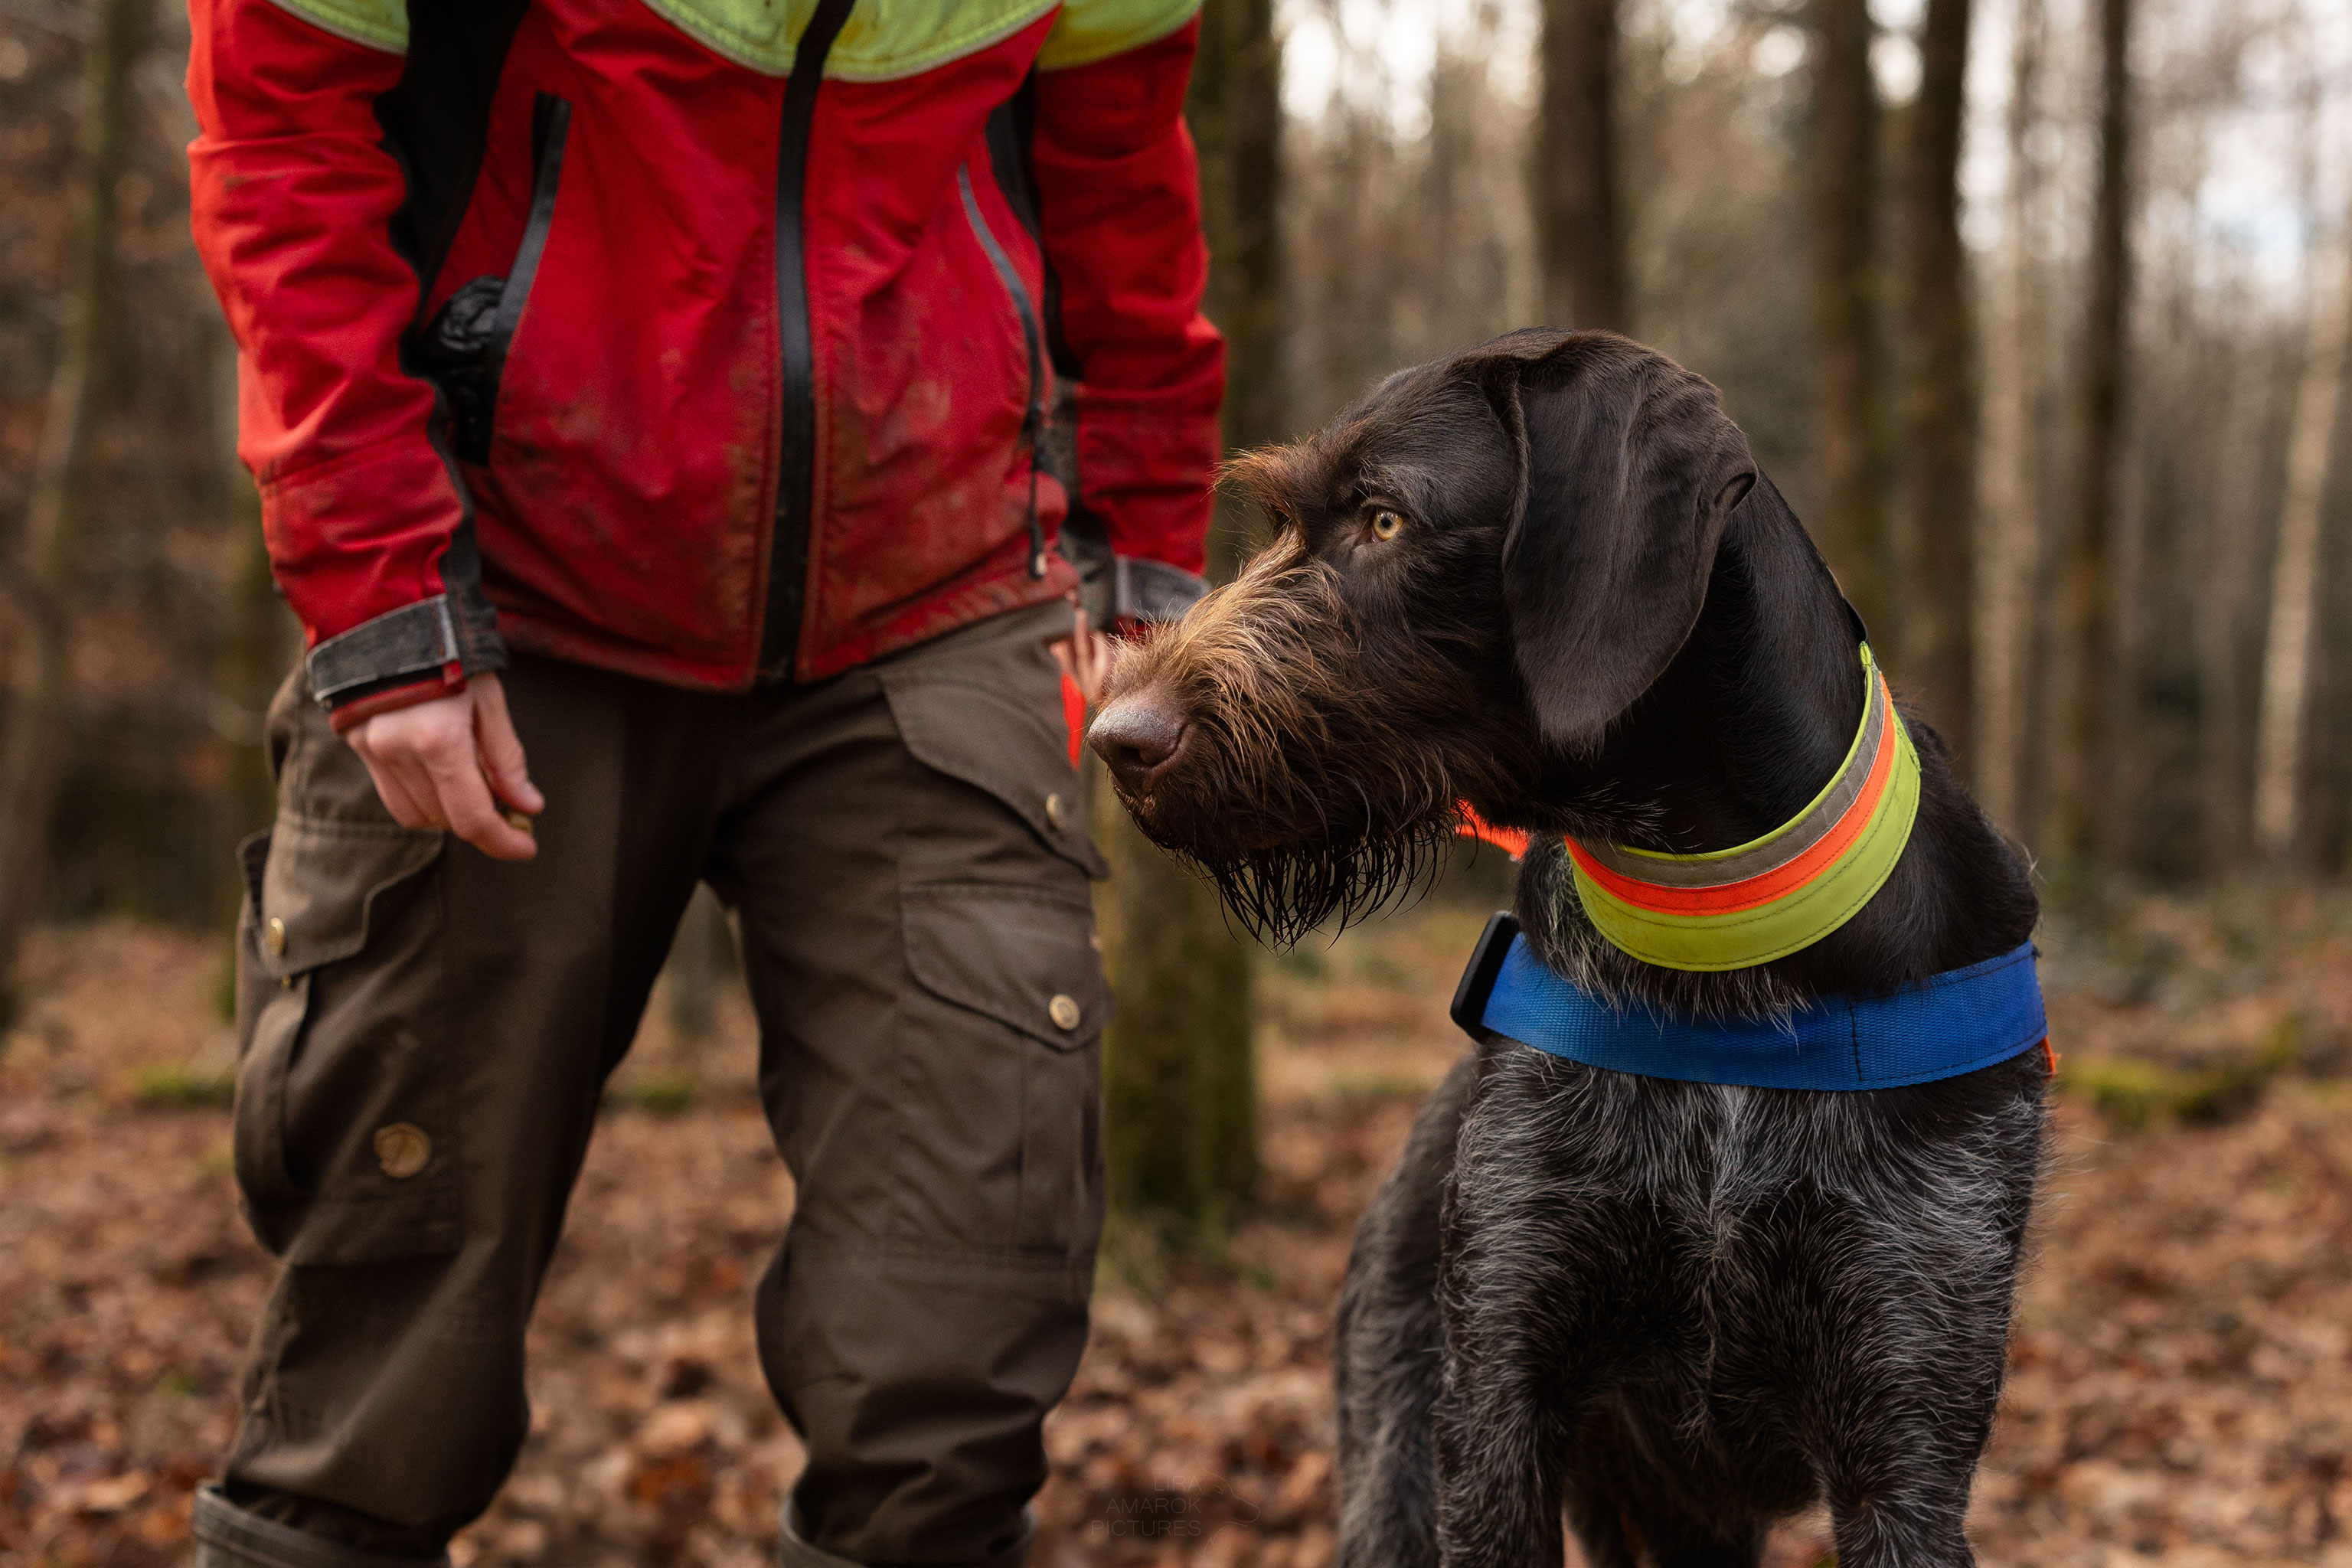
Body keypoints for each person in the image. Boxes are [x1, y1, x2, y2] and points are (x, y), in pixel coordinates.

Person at [183, 2, 1223, 1564]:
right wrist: (379, 584)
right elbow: (280, 118)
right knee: (382, 1367)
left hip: (940, 578)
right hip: (507, 578)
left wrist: (1145, 552)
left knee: (954, 1356)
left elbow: (1121, 157)